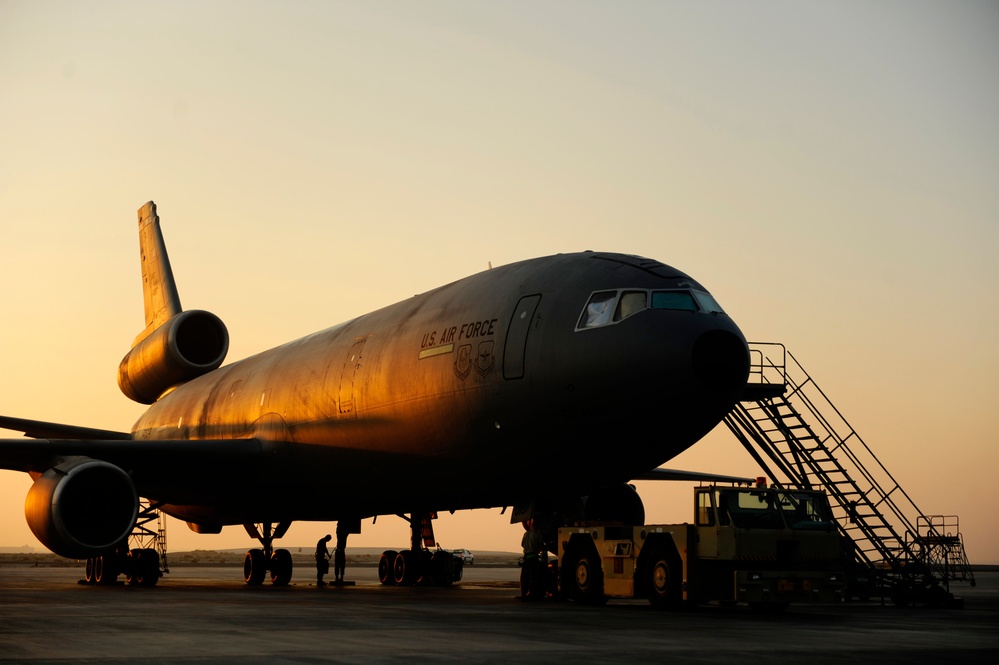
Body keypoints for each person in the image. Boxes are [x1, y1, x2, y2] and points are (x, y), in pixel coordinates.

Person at [520, 519, 545, 600]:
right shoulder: (538, 535)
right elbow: (540, 546)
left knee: (525, 578)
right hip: (534, 558)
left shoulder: (526, 534)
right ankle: (533, 594)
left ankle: (524, 594)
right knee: (533, 577)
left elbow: (522, 545)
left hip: (526, 558)